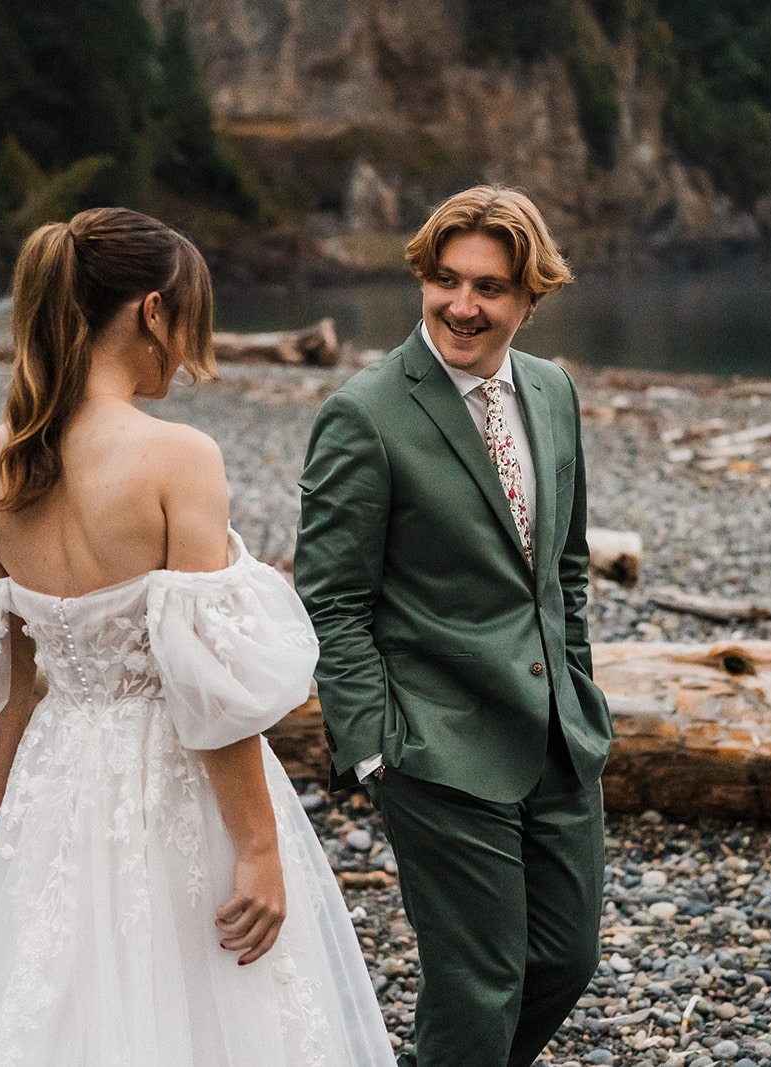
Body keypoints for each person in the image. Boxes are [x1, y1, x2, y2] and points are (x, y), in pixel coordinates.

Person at [0, 207, 395, 1066]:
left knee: (57, 998)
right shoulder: (178, 457)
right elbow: (202, 683)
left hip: (53, 784)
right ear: (150, 310)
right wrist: (255, 847)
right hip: (176, 783)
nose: (188, 342)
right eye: (188, 317)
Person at [294, 186, 611, 1067]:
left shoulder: (552, 391)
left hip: (558, 734)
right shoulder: (366, 413)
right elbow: (331, 598)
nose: (463, 305)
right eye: (445, 280)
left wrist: (575, 678)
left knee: (566, 956)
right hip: (435, 743)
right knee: (479, 981)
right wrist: (373, 746)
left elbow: (566, 564)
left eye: (490, 287)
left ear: (530, 298)